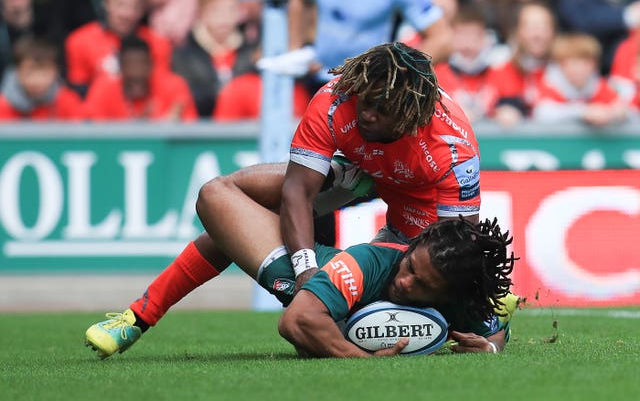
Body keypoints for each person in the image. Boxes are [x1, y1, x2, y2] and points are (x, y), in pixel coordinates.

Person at [85, 163, 519, 358]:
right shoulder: (374, 262)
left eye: (422, 286)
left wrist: (487, 348)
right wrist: (358, 357)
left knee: (223, 236)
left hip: (336, 278)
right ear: (410, 249)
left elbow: (494, 331)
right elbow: (295, 324)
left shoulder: (464, 297)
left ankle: (137, 318)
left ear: (451, 292)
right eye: (408, 268)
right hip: (304, 275)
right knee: (216, 194)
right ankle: (348, 180)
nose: (405, 284)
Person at [279, 42, 481, 285]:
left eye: (382, 109)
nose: (367, 115)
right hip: (359, 172)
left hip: (419, 229)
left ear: (410, 112)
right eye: (365, 101)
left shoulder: (453, 148)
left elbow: (456, 245)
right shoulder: (335, 100)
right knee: (233, 192)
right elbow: (297, 190)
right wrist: (305, 269)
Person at [279, 0, 452, 91]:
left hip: (367, 91)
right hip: (315, 81)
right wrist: (296, 48)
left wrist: (395, 75)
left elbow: (443, 40)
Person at [64, 0, 172, 96]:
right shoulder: (79, 41)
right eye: (120, 4)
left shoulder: (158, 43)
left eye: (135, 6)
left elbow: (161, 89)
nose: (126, 13)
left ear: (143, 10)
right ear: (106, 2)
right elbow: (77, 93)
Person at [83, 35, 198, 121]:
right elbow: (92, 131)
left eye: (141, 65)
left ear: (151, 65)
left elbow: (190, 129)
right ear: (120, 67)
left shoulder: (174, 86)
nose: (136, 72)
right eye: (130, 65)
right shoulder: (104, 88)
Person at [531, 32, 628, 126]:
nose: (580, 69)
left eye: (586, 63)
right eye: (574, 63)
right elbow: (541, 114)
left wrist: (614, 113)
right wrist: (584, 112)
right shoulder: (551, 83)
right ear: (562, 65)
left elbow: (619, 106)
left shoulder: (596, 84)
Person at [488, 2, 556, 127]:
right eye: (530, 28)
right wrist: (497, 112)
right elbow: (484, 106)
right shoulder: (501, 71)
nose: (537, 35)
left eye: (543, 27)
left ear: (552, 32)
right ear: (518, 31)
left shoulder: (564, 70)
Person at [433, 3, 500, 122]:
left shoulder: (499, 74)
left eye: (474, 36)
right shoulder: (436, 75)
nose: (468, 44)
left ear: (484, 39)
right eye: (462, 36)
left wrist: (507, 110)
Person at [0, 36, 83, 121]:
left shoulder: (67, 101)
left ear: (55, 72)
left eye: (44, 73)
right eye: (29, 73)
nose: (37, 80)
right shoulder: (3, 104)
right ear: (17, 71)